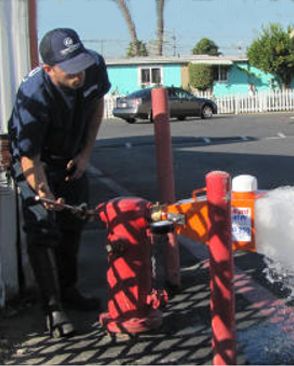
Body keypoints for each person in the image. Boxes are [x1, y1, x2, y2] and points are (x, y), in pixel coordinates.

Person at [8, 28, 111, 337]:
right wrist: (43, 192)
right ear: (48, 68)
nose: (78, 75)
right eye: (70, 71)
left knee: (73, 221)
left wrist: (85, 154)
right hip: (37, 159)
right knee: (43, 229)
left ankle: (69, 291)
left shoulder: (93, 66)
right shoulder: (34, 95)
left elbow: (96, 105)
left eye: (80, 65)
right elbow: (29, 155)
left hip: (72, 156)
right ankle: (52, 308)